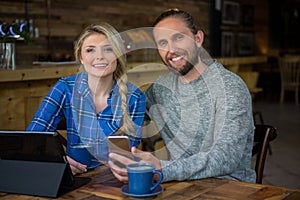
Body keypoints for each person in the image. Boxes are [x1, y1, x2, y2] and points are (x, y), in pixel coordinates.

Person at [109, 8, 256, 183]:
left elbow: (226, 158)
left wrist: (163, 168)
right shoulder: (160, 89)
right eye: (163, 43)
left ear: (198, 39)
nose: (171, 49)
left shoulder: (230, 87)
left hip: (229, 188)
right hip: (180, 185)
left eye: (178, 37)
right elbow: (124, 112)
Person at [27, 22, 146, 175]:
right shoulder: (65, 88)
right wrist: (57, 162)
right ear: (81, 57)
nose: (99, 56)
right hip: (71, 177)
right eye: (90, 50)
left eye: (108, 49)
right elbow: (32, 140)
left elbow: (127, 157)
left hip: (112, 179)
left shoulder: (135, 98)